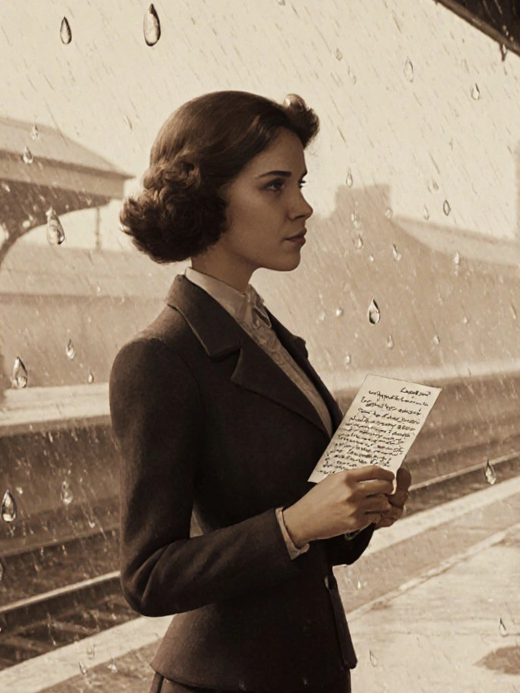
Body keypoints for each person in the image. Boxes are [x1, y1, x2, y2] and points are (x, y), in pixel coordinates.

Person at [110, 90, 410, 693]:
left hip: (310, 672)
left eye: (301, 183)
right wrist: (294, 525)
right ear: (207, 198)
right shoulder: (159, 358)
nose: (302, 207)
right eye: (275, 186)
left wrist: (358, 511)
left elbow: (316, 537)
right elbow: (147, 576)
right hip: (222, 683)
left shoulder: (266, 332)